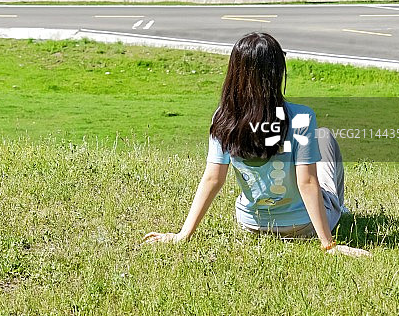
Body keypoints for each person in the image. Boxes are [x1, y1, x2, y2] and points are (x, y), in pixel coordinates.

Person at [142, 32, 370, 257]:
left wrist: (183, 234)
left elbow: (213, 179)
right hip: (303, 226)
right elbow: (307, 182)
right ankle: (337, 208)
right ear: (277, 72)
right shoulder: (302, 117)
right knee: (325, 136)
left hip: (251, 224)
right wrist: (328, 245)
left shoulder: (223, 118)